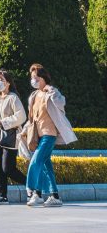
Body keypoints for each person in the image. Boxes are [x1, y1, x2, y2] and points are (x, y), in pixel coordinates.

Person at [24, 63, 77, 208]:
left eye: (35, 77)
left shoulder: (52, 92)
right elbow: (32, 118)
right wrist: (24, 130)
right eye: (32, 77)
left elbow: (61, 103)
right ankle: (55, 196)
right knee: (46, 165)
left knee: (36, 162)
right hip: (38, 136)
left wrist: (51, 90)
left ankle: (36, 192)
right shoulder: (34, 95)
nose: (33, 80)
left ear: (42, 78)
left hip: (49, 135)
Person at [0, 69, 27, 204]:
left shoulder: (13, 98)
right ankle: (1, 196)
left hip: (10, 137)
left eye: (2, 81)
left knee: (8, 168)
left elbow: (21, 116)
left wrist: (4, 122)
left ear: (8, 83)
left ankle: (31, 185)